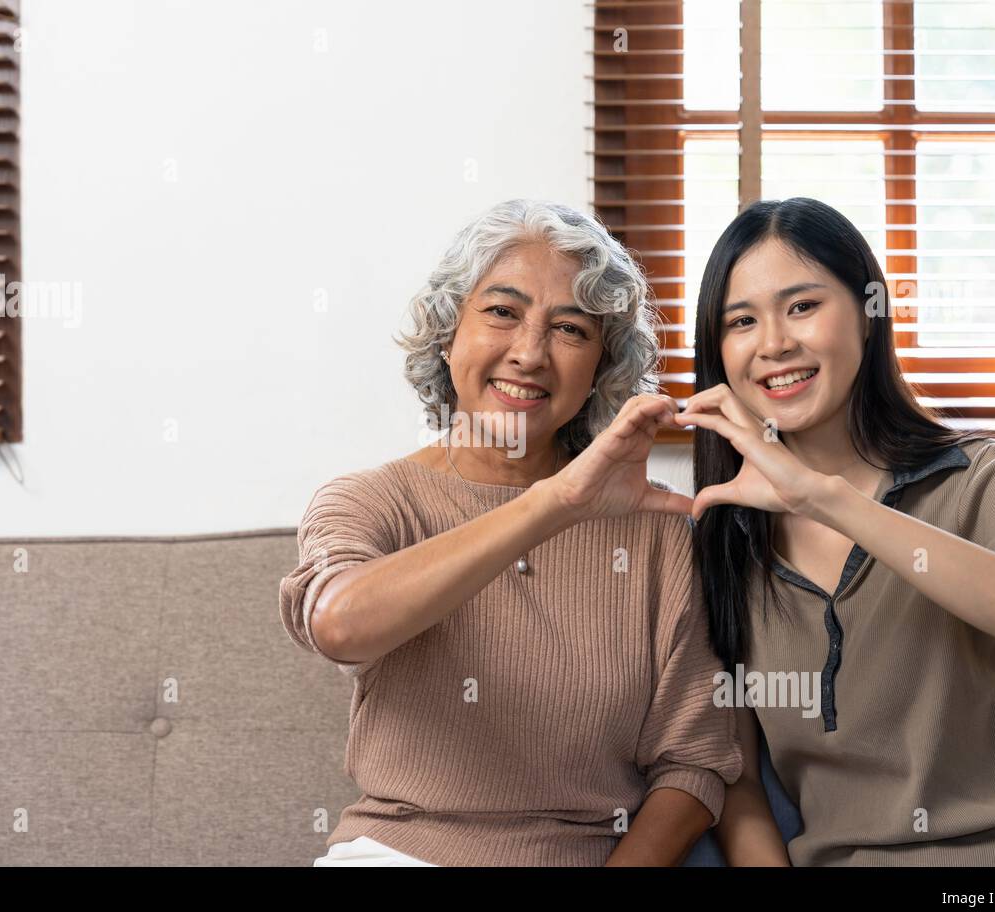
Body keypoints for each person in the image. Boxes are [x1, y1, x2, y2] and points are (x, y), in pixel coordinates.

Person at [278, 198, 742, 866]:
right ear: (448, 331)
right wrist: (555, 501)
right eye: (502, 312)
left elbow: (693, 764)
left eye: (572, 330)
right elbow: (340, 626)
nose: (528, 354)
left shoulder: (660, 535)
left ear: (601, 368)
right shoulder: (371, 500)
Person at [675, 196, 995, 865]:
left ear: (869, 317)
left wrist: (825, 499)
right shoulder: (724, 540)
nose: (776, 342)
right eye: (742, 321)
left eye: (804, 306)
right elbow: (742, 781)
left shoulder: (983, 475)